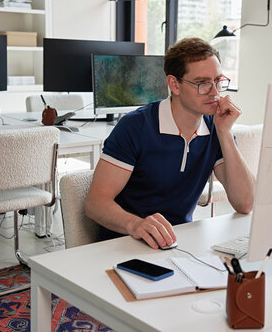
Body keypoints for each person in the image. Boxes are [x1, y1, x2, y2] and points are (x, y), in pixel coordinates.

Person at [85, 37, 255, 249]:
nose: (214, 92)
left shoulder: (216, 128)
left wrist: (225, 132)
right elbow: (95, 204)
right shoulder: (135, 126)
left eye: (218, 81)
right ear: (174, 84)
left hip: (179, 243)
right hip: (125, 244)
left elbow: (245, 203)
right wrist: (136, 224)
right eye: (203, 83)